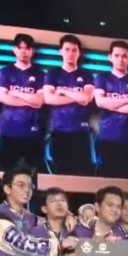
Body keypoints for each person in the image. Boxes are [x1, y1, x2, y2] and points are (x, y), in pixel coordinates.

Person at [94, 41, 128, 179]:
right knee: (108, 178)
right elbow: (100, 102)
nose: (120, 59)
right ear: (110, 57)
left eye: (124, 56)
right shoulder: (102, 78)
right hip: (107, 137)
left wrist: (112, 104)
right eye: (117, 55)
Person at [43, 35, 95, 176]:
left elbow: (86, 98)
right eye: (67, 49)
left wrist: (63, 91)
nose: (71, 53)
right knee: (60, 173)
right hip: (59, 131)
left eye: (74, 50)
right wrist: (76, 97)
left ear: (79, 53)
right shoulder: (52, 73)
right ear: (61, 51)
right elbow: (49, 99)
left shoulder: (87, 75)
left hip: (81, 132)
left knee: (82, 174)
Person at [0, 34, 45, 170]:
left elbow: (39, 101)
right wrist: (30, 101)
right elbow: (3, 98)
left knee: (32, 172)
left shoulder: (40, 74)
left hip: (32, 130)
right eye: (20, 48)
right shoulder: (5, 72)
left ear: (32, 51)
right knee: (6, 171)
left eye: (27, 48)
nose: (23, 51)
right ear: (14, 50)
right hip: (7, 129)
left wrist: (16, 93)